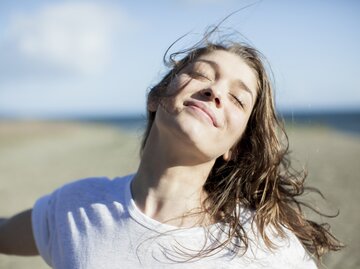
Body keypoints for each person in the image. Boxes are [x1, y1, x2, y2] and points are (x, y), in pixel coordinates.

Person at [0, 33, 342, 268]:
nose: (215, 92)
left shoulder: (268, 246)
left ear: (236, 147)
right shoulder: (75, 208)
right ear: (157, 97)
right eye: (201, 74)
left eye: (238, 99)